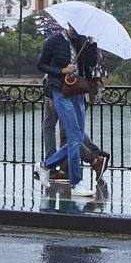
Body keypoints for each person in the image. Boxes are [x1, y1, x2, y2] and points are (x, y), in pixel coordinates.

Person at [35, 24, 102, 196]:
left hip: (78, 92)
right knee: (73, 136)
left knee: (77, 139)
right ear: (69, 24)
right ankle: (76, 183)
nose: (77, 29)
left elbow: (92, 63)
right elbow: (41, 65)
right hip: (60, 91)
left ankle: (45, 166)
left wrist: (92, 42)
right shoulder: (54, 41)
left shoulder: (82, 41)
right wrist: (62, 70)